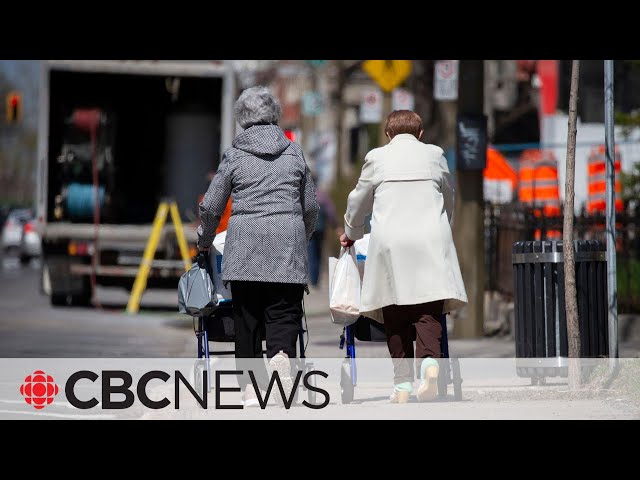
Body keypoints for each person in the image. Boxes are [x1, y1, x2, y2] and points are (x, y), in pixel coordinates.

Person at [197, 86, 319, 407]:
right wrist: (300, 238)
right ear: (275, 115)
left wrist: (204, 241)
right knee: (283, 311)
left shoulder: (235, 156)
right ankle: (279, 356)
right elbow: (310, 207)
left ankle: (253, 388)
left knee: (247, 318)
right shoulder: (295, 154)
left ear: (241, 119)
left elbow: (211, 207)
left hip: (245, 248)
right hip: (287, 245)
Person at [340, 110, 467, 404]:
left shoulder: (377, 157)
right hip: (430, 240)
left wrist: (352, 231)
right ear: (420, 133)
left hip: (391, 242)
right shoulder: (435, 155)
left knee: (393, 312)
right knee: (428, 307)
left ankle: (403, 385)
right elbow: (448, 196)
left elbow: (357, 200)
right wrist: (443, 224)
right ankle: (430, 365)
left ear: (388, 134)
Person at [307, 179, 342, 287]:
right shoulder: (323, 195)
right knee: (318, 252)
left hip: (309, 229)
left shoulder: (307, 194)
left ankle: (313, 279)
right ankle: (315, 279)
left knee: (311, 253)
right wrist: (336, 226)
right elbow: (330, 212)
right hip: (321, 229)